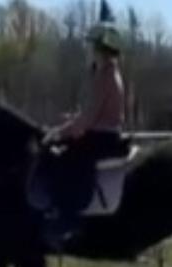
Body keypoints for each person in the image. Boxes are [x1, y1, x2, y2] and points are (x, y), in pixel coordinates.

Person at [41, 22, 126, 246]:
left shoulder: (105, 77)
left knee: (66, 158)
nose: (89, 50)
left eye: (91, 46)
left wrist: (59, 132)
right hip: (103, 132)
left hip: (102, 136)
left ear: (100, 48)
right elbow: (90, 113)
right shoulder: (106, 73)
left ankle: (69, 219)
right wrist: (71, 121)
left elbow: (88, 119)